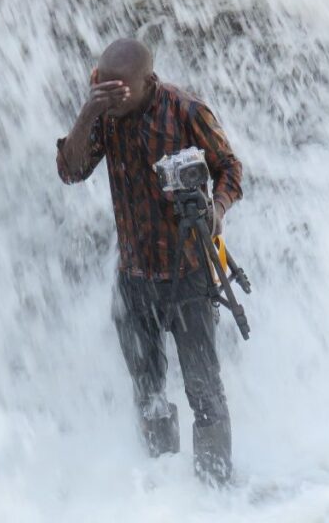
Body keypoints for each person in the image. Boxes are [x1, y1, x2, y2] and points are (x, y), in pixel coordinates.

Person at [55, 38, 243, 485]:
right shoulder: (104, 116)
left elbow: (230, 169)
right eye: (104, 88)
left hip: (188, 274)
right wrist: (88, 112)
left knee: (204, 393)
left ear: (148, 82)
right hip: (134, 279)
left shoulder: (186, 110)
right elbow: (70, 171)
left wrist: (217, 210)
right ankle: (162, 496)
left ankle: (217, 496)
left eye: (121, 91)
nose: (113, 99)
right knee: (148, 394)